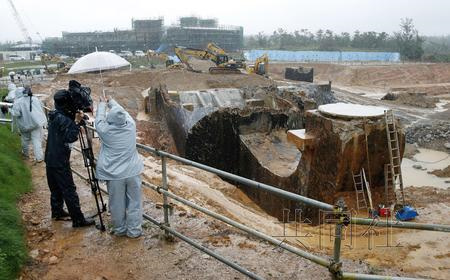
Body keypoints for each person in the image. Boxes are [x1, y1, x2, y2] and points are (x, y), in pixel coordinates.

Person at [44, 90, 95, 227]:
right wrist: (77, 123)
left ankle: (57, 211)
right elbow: (70, 137)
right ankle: (78, 220)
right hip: (60, 159)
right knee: (68, 189)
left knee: (55, 187)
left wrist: (73, 118)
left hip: (50, 157)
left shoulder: (55, 114)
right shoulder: (63, 118)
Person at [95, 96, 144, 238]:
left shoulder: (105, 131)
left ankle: (120, 230)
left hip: (115, 175)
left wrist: (103, 104)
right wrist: (112, 101)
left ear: (110, 119)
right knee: (135, 203)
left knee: (117, 205)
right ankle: (135, 231)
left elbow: (98, 119)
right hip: (133, 172)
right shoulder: (130, 125)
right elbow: (124, 113)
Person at [11, 87, 47, 162]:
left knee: (25, 140)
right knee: (36, 141)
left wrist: (10, 110)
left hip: (24, 125)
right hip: (36, 124)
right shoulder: (35, 99)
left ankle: (25, 154)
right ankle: (39, 158)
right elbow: (41, 109)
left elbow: (16, 114)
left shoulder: (17, 102)